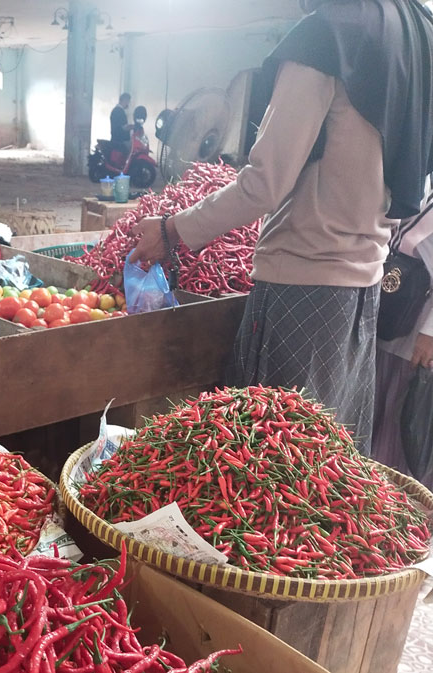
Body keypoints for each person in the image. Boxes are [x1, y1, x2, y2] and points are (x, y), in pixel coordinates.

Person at [129, 0, 433, 454]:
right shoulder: (418, 28)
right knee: (329, 466)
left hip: (304, 284)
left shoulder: (329, 34)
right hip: (364, 285)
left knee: (270, 466)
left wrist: (172, 229)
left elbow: (263, 185)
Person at [372, 186, 433, 486]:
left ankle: (390, 496)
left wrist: (430, 332)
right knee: (379, 401)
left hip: (415, 329)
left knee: (396, 413)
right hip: (395, 310)